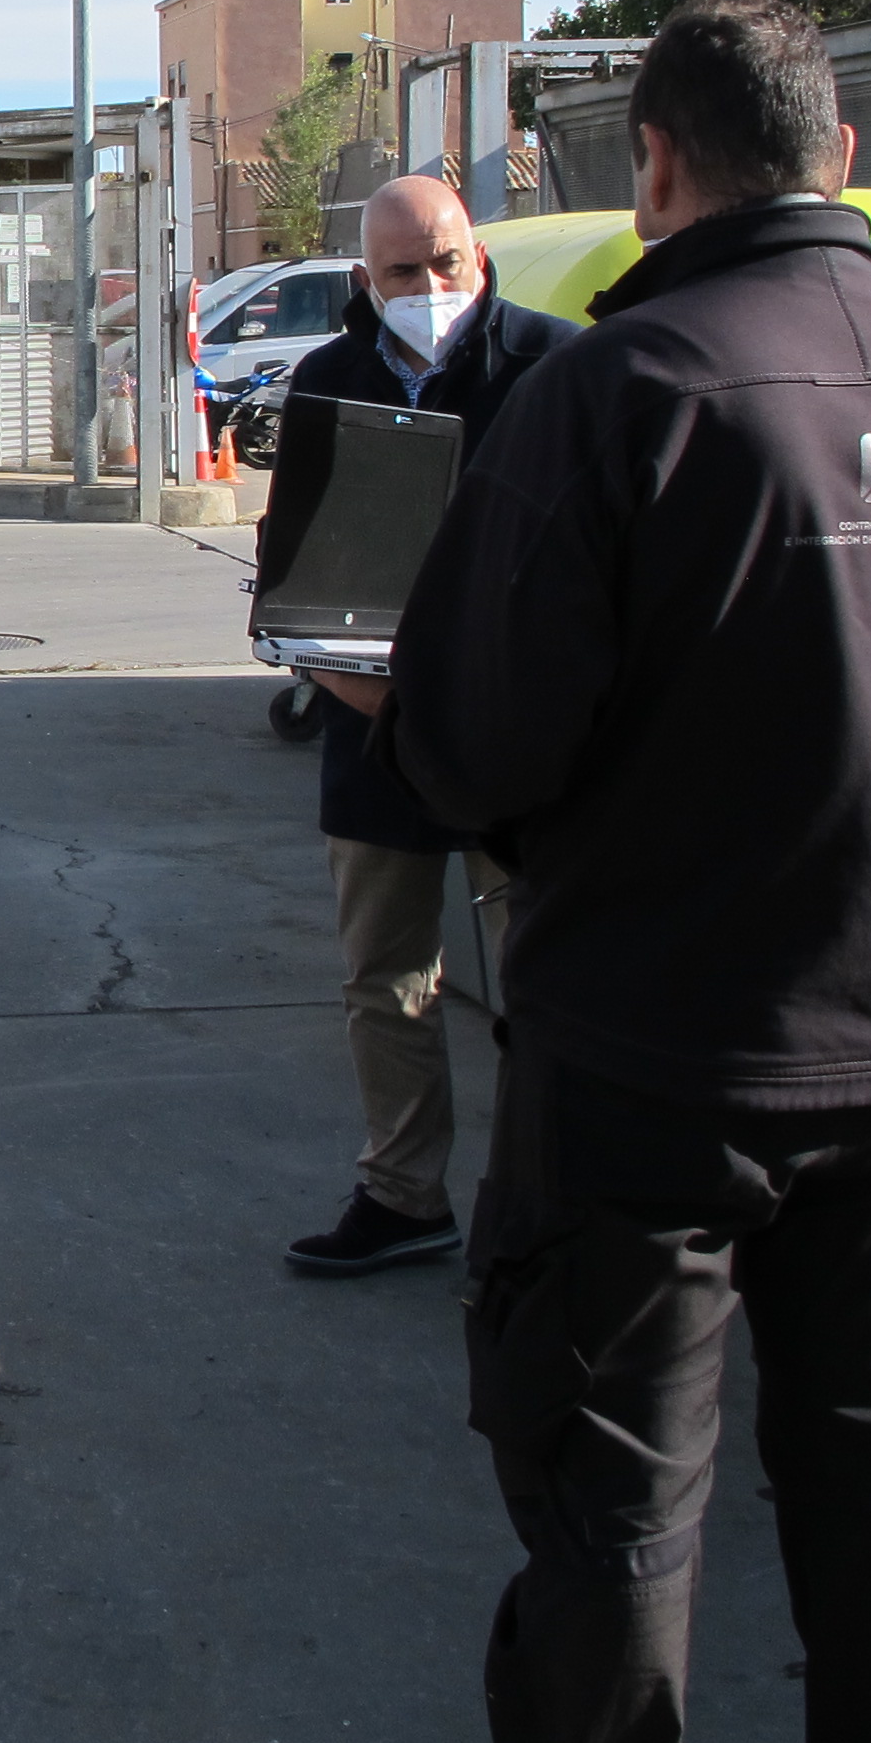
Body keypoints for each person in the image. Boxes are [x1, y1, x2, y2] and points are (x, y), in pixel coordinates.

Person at [300, 0, 871, 1743]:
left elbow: (479, 750)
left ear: (654, 166)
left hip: (654, 1072)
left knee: (615, 1523)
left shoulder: (616, 397)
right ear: (839, 159)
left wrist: (390, 700)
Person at [271, 174, 564, 1278]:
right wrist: (342, 673)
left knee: (551, 977)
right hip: (377, 731)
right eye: (405, 271)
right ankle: (403, 1196)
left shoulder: (556, 369)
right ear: (367, 280)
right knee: (387, 979)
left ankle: (554, 1198)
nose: (433, 286)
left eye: (447, 261)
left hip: (520, 739)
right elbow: (295, 571)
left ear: (478, 254)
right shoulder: (329, 380)